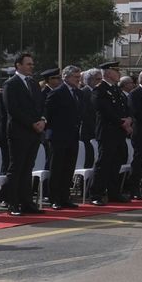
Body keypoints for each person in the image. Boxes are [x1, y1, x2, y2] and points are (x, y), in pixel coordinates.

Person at [1, 53, 45, 215]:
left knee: (28, 168)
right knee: (16, 168)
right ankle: (13, 202)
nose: (31, 66)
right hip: (19, 132)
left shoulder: (33, 83)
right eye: (28, 64)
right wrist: (32, 123)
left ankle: (27, 202)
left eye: (32, 64)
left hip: (34, 132)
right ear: (18, 65)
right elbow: (13, 109)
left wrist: (42, 120)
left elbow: (40, 105)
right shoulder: (10, 84)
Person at [89, 62, 130, 206]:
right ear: (107, 73)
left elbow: (125, 106)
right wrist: (121, 121)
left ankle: (114, 192)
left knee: (116, 163)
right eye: (115, 70)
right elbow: (103, 109)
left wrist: (128, 119)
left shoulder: (116, 90)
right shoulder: (100, 89)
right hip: (107, 131)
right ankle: (96, 193)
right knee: (104, 163)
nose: (118, 73)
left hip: (119, 132)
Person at [43, 67, 82, 209]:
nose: (78, 79)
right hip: (58, 136)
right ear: (66, 77)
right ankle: (54, 198)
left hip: (72, 136)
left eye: (79, 76)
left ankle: (65, 197)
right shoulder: (57, 93)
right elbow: (48, 114)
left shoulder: (77, 93)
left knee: (68, 168)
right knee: (57, 168)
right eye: (75, 77)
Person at [77, 67, 100, 175]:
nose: (100, 82)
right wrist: (95, 130)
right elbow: (85, 115)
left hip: (97, 132)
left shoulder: (98, 93)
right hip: (88, 132)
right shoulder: (84, 93)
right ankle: (84, 187)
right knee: (88, 159)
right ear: (90, 80)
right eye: (97, 79)